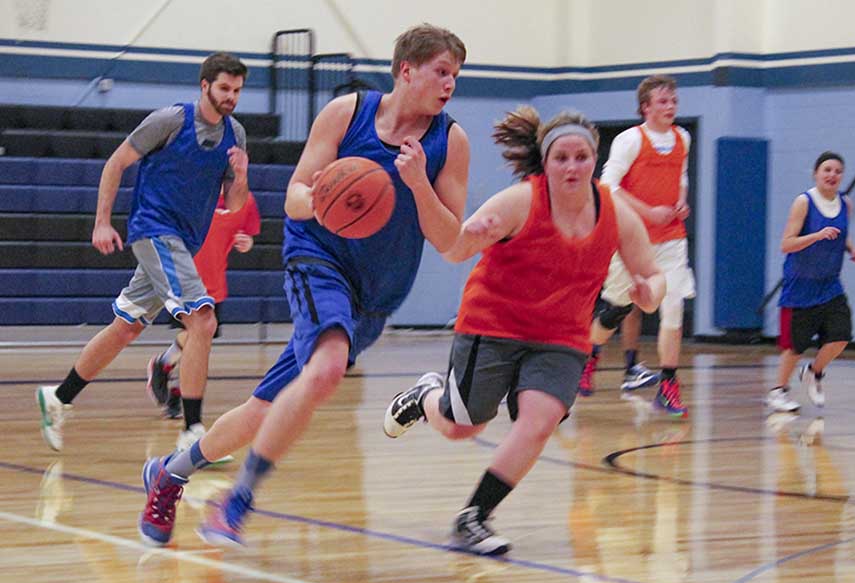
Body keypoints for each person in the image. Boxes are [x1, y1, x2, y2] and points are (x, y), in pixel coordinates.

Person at [136, 24, 469, 548]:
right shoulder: (347, 113)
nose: (451, 84)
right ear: (407, 70)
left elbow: (452, 242)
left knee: (264, 408)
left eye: (456, 75)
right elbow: (294, 195)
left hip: (376, 293)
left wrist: (419, 183)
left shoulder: (448, 141)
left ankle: (169, 474)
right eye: (442, 71)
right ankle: (235, 502)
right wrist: (325, 200)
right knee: (328, 368)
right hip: (318, 260)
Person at [383, 106, 666, 555]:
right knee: (462, 427)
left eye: (581, 157)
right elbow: (455, 248)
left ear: (595, 159)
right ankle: (425, 396)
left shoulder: (616, 213)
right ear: (546, 161)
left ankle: (473, 517)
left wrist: (649, 293)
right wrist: (419, 184)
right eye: (561, 158)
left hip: (561, 338)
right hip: (494, 325)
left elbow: (651, 274)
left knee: (539, 422)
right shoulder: (519, 202)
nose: (572, 167)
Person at [35, 52, 249, 452]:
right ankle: (193, 433)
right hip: (154, 232)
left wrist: (242, 175)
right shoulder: (170, 120)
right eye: (224, 88)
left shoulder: (235, 136)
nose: (231, 97)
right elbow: (116, 163)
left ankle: (58, 397)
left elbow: (234, 205)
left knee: (127, 327)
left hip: (183, 242)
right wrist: (102, 221)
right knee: (202, 323)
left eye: (237, 90)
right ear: (205, 86)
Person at [578, 75, 694, 418]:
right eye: (663, 101)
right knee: (616, 307)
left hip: (672, 239)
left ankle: (669, 385)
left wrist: (681, 202)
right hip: (631, 239)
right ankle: (588, 354)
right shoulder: (630, 140)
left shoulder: (682, 138)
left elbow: (682, 178)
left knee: (673, 307)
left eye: (673, 101)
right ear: (646, 107)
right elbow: (607, 186)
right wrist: (648, 212)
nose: (670, 107)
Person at [147, 189, 261, 425]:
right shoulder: (193, 192)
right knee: (195, 338)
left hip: (215, 280)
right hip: (185, 278)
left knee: (200, 342)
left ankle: (164, 365)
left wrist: (246, 243)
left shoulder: (245, 200)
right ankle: (176, 394)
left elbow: (248, 235)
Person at [766, 151, 855, 412]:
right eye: (827, 170)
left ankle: (814, 371)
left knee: (841, 336)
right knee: (795, 346)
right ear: (816, 173)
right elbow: (786, 244)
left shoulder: (846, 203)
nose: (832, 175)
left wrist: (851, 248)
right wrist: (817, 235)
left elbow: (842, 234)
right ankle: (778, 392)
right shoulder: (804, 202)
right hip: (801, 286)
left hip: (830, 284)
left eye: (837, 171)